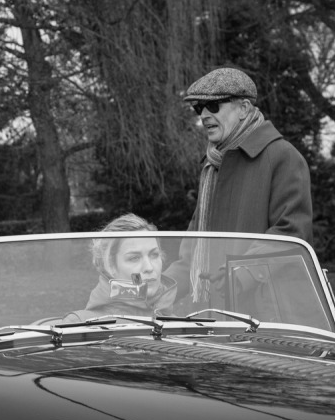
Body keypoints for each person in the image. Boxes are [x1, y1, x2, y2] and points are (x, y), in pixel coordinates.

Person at [180, 67, 313, 304]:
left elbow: (292, 232)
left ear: (243, 108)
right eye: (199, 108)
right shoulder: (212, 165)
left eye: (213, 106)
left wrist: (241, 274)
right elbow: (194, 241)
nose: (204, 115)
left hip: (266, 313)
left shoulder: (283, 156)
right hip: (213, 310)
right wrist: (164, 283)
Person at [67, 214, 183, 320]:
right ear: (111, 267)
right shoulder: (80, 324)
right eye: (134, 258)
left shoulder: (180, 326)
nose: (149, 267)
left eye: (154, 255)